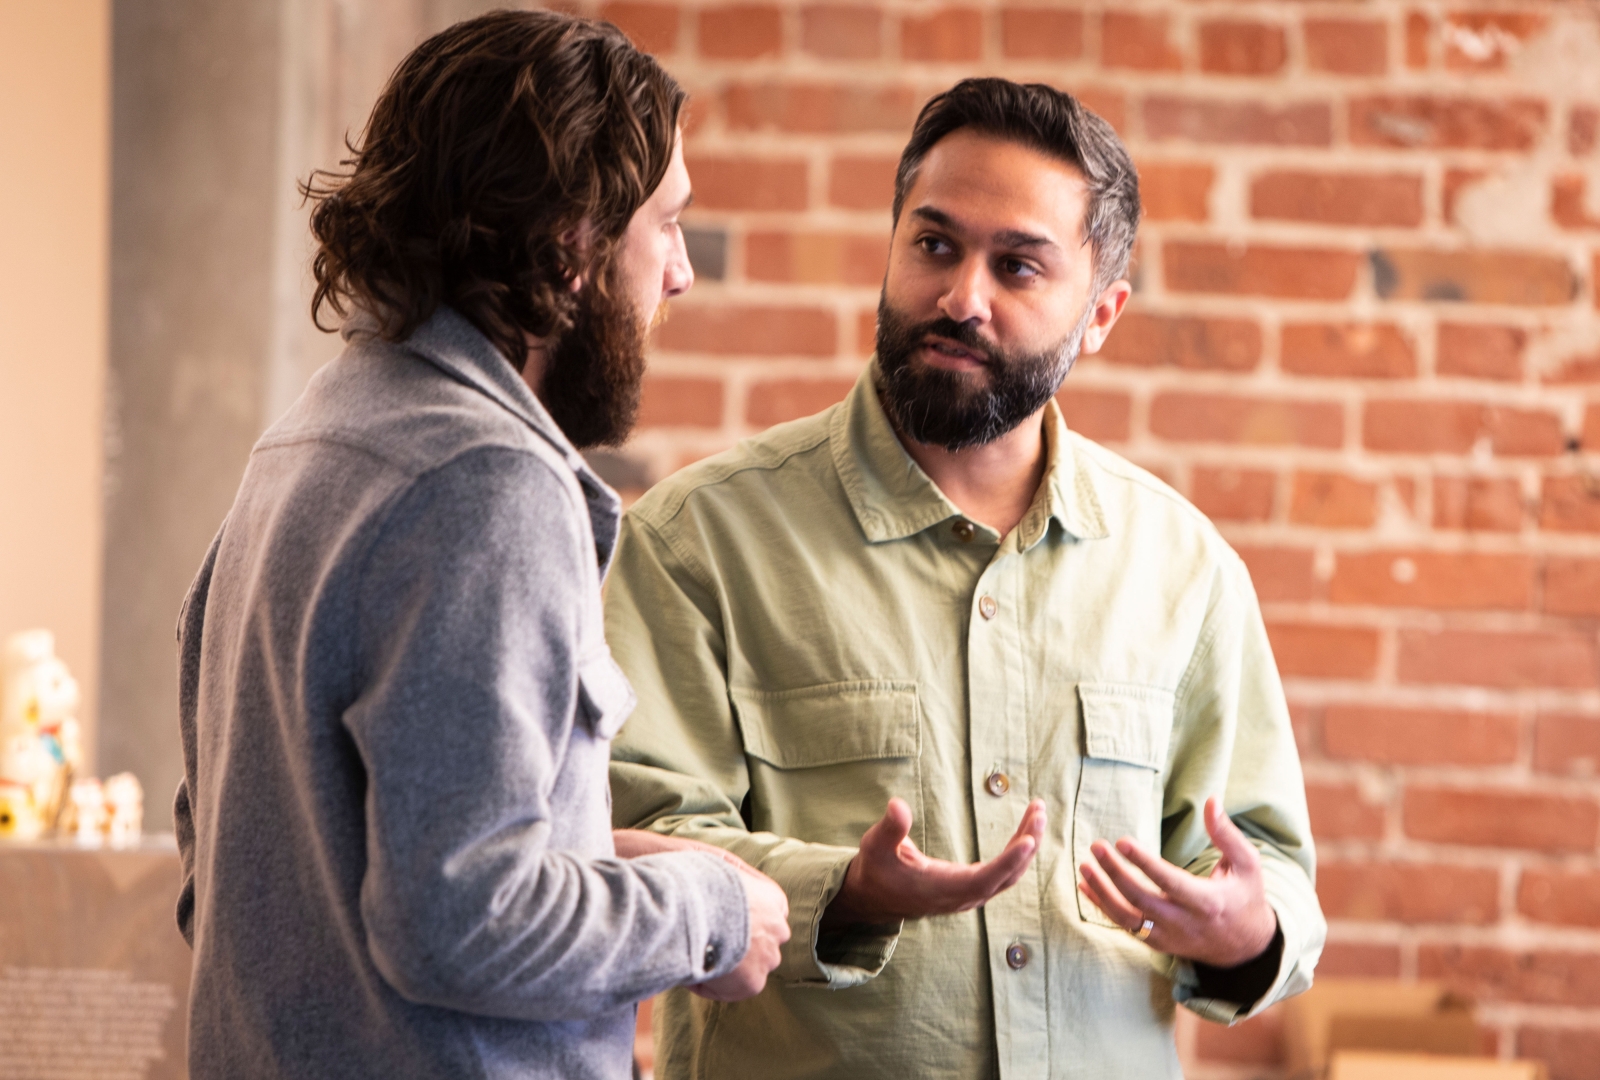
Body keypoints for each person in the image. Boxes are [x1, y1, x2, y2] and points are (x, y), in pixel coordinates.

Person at [603, 78, 1325, 1080]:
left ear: (1101, 313)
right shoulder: (699, 541)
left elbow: (1269, 865)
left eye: (1019, 266)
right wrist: (844, 893)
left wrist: (1248, 929)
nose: (961, 298)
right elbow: (635, 838)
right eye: (934, 244)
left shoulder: (1183, 568)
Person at [171, 12, 788, 1079]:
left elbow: (235, 862)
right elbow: (465, 918)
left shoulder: (309, 437)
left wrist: (594, 858)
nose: (680, 273)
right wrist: (711, 906)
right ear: (574, 243)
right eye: (667, 225)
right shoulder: (488, 484)